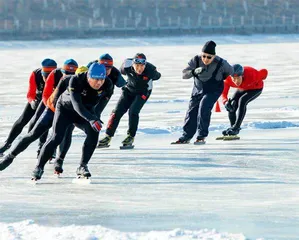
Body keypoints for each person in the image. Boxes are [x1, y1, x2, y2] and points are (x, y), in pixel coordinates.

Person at [31, 63, 113, 180]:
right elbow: (76, 104)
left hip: (85, 112)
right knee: (57, 137)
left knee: (94, 132)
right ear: (88, 76)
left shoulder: (108, 84)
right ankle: (39, 167)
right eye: (95, 79)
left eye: (101, 79)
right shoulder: (76, 80)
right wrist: (91, 118)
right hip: (66, 109)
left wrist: (94, 118)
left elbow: (100, 106)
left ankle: (82, 166)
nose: (99, 83)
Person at [0, 66, 86, 172]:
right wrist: (32, 101)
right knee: (34, 131)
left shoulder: (89, 85)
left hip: (67, 111)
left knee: (65, 133)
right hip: (51, 107)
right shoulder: (62, 78)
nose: (70, 76)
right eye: (67, 73)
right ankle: (10, 154)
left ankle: (59, 160)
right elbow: (46, 96)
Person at [172, 40, 233, 144]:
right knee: (191, 112)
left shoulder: (221, 63)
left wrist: (221, 76)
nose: (206, 59)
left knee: (204, 107)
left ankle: (201, 136)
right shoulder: (195, 60)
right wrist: (193, 72)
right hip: (198, 89)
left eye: (209, 57)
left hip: (214, 89)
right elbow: (184, 75)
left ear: (214, 56)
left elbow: (230, 71)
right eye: (204, 56)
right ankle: (186, 136)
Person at [97, 53, 161, 148]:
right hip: (129, 90)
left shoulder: (150, 70)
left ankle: (130, 136)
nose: (139, 69)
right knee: (116, 112)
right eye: (137, 66)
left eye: (142, 66)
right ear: (132, 64)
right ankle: (108, 136)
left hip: (143, 92)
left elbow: (158, 76)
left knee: (133, 112)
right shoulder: (126, 65)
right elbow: (118, 74)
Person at [0, 58, 57, 157]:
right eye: (45, 76)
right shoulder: (35, 74)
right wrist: (32, 101)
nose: (47, 79)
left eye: (49, 77)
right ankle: (7, 143)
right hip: (38, 99)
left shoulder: (59, 75)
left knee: (44, 122)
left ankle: (43, 146)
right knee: (22, 120)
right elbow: (30, 93)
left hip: (50, 102)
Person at [221, 64, 268, 136]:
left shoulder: (252, 74)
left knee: (242, 101)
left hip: (256, 88)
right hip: (242, 88)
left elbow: (264, 73)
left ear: (242, 75)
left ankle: (236, 127)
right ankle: (232, 127)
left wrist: (263, 74)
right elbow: (224, 93)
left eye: (238, 78)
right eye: (234, 78)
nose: (236, 81)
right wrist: (225, 102)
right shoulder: (228, 79)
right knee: (232, 104)